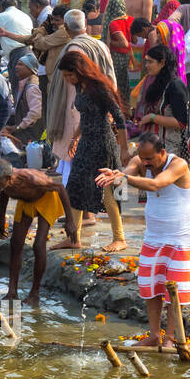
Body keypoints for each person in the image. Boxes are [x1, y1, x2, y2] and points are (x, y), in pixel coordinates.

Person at [96, 132, 190, 347]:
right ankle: (154, 335)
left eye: (149, 159)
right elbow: (126, 174)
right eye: (142, 158)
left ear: (162, 152)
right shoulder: (140, 161)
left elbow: (156, 184)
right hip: (154, 236)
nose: (145, 163)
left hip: (180, 236)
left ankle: (170, 337)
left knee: (174, 288)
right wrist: (116, 176)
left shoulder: (178, 164)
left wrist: (125, 178)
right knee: (151, 286)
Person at [56, 49, 128, 254]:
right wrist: (75, 137)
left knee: (107, 192)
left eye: (70, 75)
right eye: (65, 77)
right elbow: (85, 115)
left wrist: (123, 149)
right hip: (86, 143)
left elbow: (120, 119)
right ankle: (74, 238)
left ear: (80, 70)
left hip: (103, 144)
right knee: (74, 188)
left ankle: (119, 238)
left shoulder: (100, 88)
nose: (68, 80)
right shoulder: (80, 87)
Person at [0, 159, 79, 304]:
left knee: (38, 245)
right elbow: (4, 193)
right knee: (15, 243)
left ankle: (34, 293)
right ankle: (12, 291)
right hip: (26, 202)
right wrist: (1, 221)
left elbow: (60, 188)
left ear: (7, 178)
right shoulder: (4, 183)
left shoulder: (32, 178)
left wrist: (70, 221)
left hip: (47, 199)